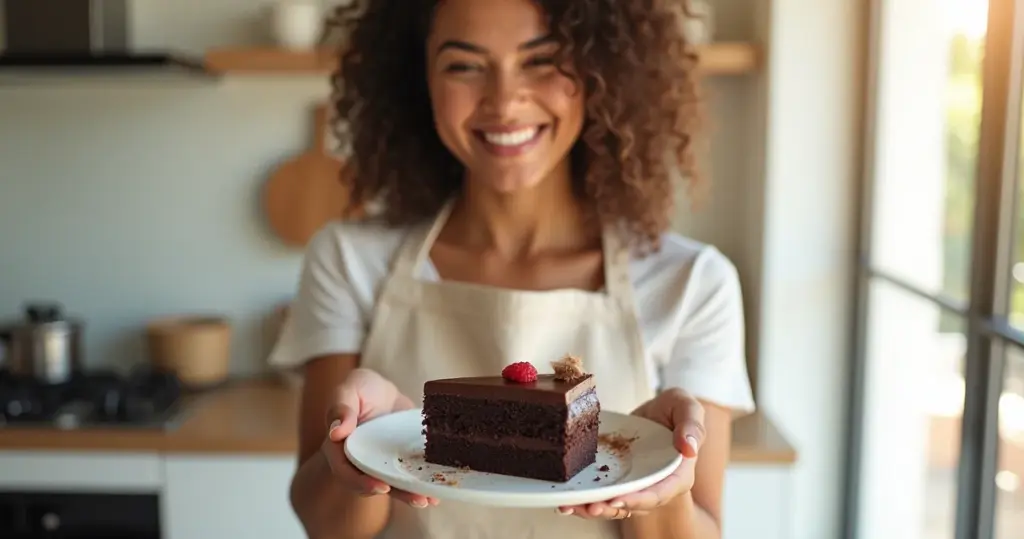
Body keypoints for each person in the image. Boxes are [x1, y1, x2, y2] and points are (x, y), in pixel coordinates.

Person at [268, 0, 756, 537]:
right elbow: (327, 528)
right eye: (464, 65)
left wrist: (658, 462)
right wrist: (362, 445)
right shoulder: (347, 260)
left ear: (601, 71)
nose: (504, 99)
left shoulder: (693, 283)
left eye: (542, 59)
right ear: (419, 77)